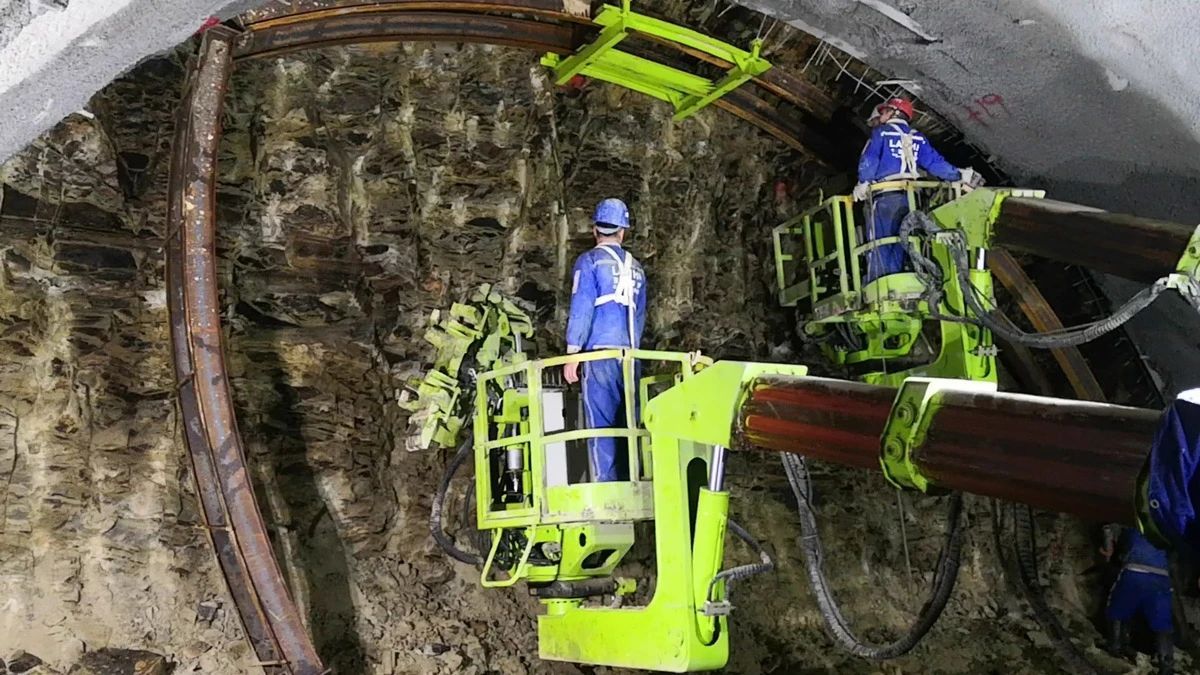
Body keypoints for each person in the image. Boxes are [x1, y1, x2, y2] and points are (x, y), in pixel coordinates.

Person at [563, 198, 647, 482]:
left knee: (600, 421)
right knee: (630, 420)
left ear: (595, 230)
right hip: (631, 357)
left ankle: (606, 485)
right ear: (622, 231)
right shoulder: (637, 268)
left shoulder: (589, 262)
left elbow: (582, 309)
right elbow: (639, 318)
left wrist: (572, 354)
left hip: (599, 355)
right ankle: (634, 477)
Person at [852, 97, 980, 283]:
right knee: (906, 240)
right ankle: (911, 279)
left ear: (893, 112)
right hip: (911, 198)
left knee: (881, 243)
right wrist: (959, 176)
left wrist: (863, 183)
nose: (881, 116)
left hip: (885, 197)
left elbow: (870, 160)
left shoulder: (881, 133)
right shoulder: (917, 137)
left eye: (884, 112)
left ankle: (881, 284)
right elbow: (935, 164)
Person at [1100, 525, 1175, 674]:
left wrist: (1108, 548)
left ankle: (1115, 646)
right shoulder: (1170, 517)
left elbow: (1109, 529)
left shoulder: (1133, 512)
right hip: (1161, 575)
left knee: (1116, 608)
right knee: (1163, 622)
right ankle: (1166, 665)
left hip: (1134, 570)